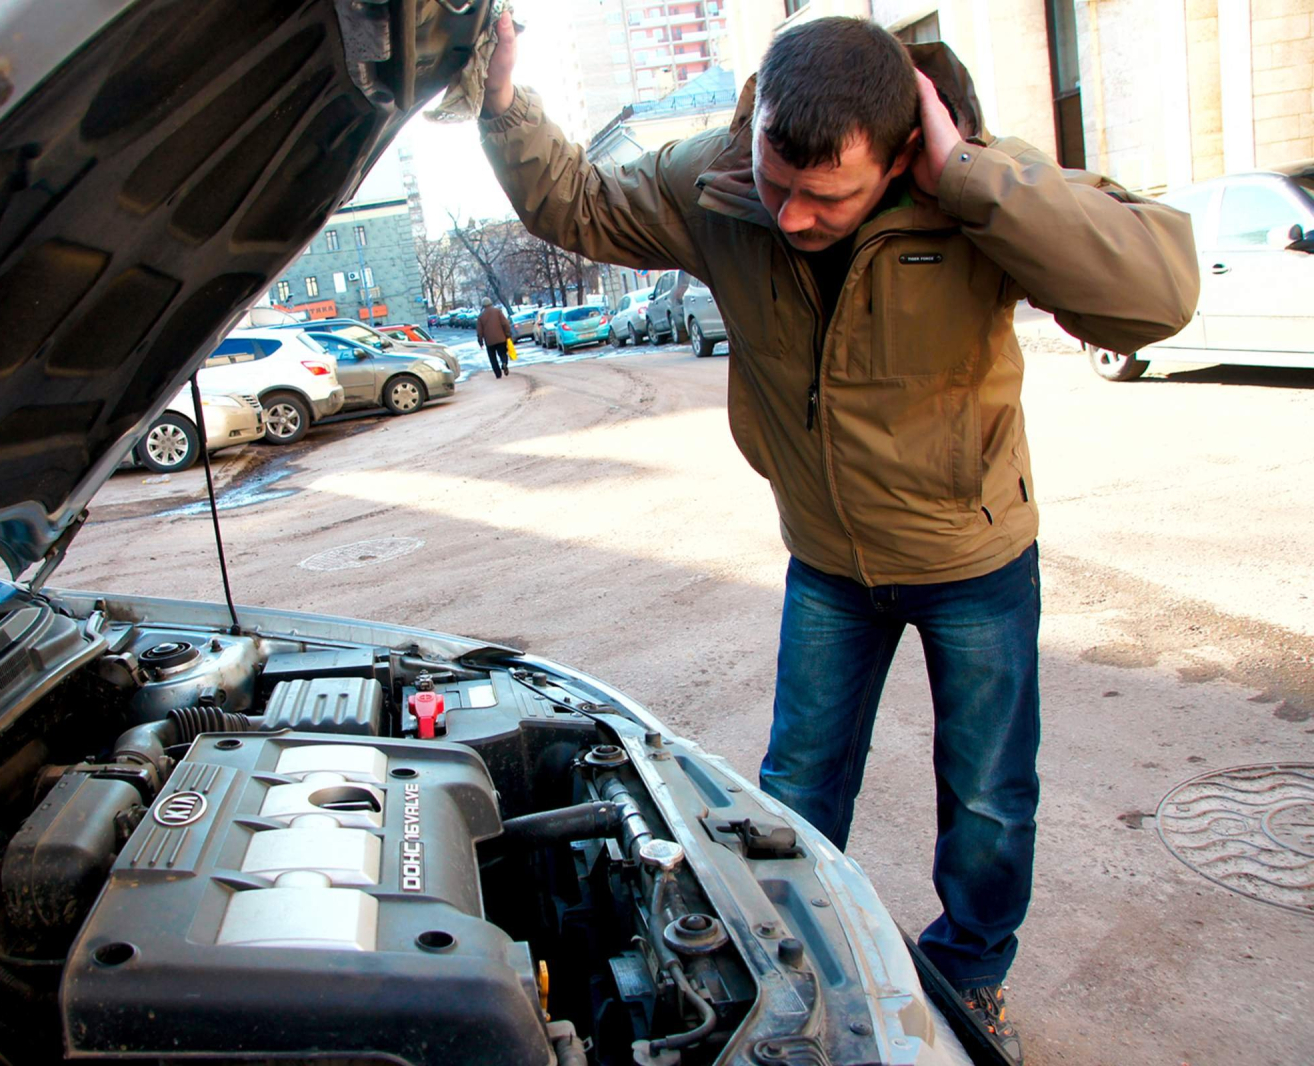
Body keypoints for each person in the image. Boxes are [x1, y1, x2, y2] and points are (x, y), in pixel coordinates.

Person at [477, 12, 1197, 1062]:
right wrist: (501, 107)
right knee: (792, 794)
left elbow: (1156, 295)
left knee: (989, 801)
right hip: (824, 560)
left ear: (905, 150)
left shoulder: (980, 186)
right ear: (757, 126)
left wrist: (971, 182)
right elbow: (580, 202)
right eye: (779, 183)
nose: (796, 215)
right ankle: (793, 965)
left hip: (971, 559)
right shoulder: (718, 183)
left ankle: (970, 971)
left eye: (829, 196)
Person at [474, 297, 514, 378]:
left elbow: (479, 331)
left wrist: (480, 341)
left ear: (483, 306)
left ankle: (498, 374)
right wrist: (508, 334)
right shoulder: (498, 311)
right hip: (501, 338)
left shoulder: (481, 316)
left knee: (493, 358)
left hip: (489, 341)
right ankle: (504, 363)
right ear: (491, 303)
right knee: (503, 353)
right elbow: (505, 323)